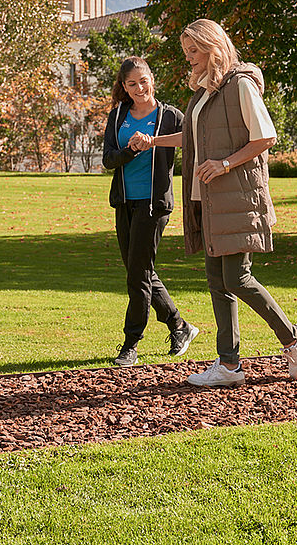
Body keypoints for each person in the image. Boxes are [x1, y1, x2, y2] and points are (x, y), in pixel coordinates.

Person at [131, 19, 297, 387]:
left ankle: (292, 337)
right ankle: (229, 366)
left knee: (237, 277)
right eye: (186, 53)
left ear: (213, 47)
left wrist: (225, 163)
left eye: (193, 51)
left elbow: (265, 137)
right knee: (218, 281)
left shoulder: (241, 84)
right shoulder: (205, 92)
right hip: (207, 199)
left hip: (238, 197)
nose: (189, 59)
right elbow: (191, 138)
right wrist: (153, 142)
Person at [102, 56, 199, 367]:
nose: (139, 88)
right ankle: (179, 326)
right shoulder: (118, 116)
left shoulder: (169, 116)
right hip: (124, 202)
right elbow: (108, 160)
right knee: (139, 271)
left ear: (152, 81)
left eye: (143, 81)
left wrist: (153, 142)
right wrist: (131, 149)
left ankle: (130, 344)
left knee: (137, 276)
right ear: (125, 88)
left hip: (154, 205)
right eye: (132, 84)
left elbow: (193, 140)